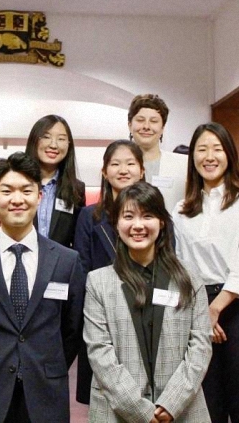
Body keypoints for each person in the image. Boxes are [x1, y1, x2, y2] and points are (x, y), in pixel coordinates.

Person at [0, 152, 86, 423]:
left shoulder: (66, 261)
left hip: (45, 395)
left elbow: (72, 329)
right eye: (7, 191)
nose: (17, 199)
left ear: (39, 196)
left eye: (26, 191)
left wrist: (47, 367)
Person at [85, 182, 212, 422]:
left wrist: (172, 402)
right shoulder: (98, 282)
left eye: (148, 216)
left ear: (162, 222)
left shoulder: (189, 277)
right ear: (116, 224)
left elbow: (201, 345)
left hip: (182, 411)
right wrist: (140, 410)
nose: (138, 225)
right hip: (117, 411)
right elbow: (99, 351)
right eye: (128, 216)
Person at [173, 122, 239, 423]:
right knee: (205, 402)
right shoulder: (182, 209)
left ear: (229, 154)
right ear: (193, 158)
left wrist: (215, 309)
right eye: (202, 149)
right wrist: (203, 312)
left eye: (217, 148)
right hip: (198, 307)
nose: (209, 156)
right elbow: (181, 266)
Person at [73, 139, 145, 404]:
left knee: (143, 393)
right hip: (101, 317)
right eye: (115, 164)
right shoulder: (89, 216)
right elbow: (82, 268)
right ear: (104, 172)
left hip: (144, 312)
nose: (123, 170)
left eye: (130, 164)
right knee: (103, 398)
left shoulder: (155, 214)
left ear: (142, 171)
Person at [24, 114, 85, 248]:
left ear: (69, 144)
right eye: (46, 137)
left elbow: (78, 239)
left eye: (61, 139)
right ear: (34, 140)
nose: (53, 145)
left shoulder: (76, 189)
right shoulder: (18, 183)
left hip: (60, 260)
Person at [128, 94, 187, 213]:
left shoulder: (184, 164)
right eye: (140, 120)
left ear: (162, 128)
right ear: (130, 125)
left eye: (154, 121)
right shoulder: (119, 165)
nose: (146, 126)